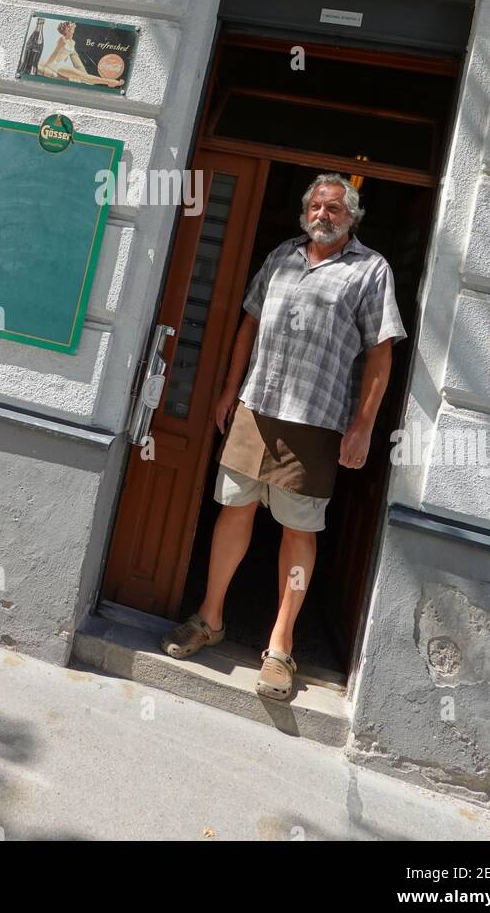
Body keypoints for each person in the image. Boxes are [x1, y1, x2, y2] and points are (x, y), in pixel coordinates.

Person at [160, 173, 406, 701]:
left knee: (299, 531)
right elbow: (248, 323)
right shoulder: (281, 256)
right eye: (316, 205)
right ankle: (210, 618)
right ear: (304, 211)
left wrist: (362, 424)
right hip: (256, 407)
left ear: (352, 216)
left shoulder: (369, 270)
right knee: (235, 509)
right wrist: (230, 389)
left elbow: (381, 354)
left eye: (334, 208)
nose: (323, 214)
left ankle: (280, 645)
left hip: (316, 422)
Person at [38, 20, 120, 86]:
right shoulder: (62, 40)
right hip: (57, 65)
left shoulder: (72, 42)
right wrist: (47, 65)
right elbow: (54, 53)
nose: (71, 27)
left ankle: (109, 82)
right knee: (84, 77)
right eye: (68, 27)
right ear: (65, 30)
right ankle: (109, 81)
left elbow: (65, 54)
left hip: (63, 64)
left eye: (71, 26)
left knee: (85, 78)